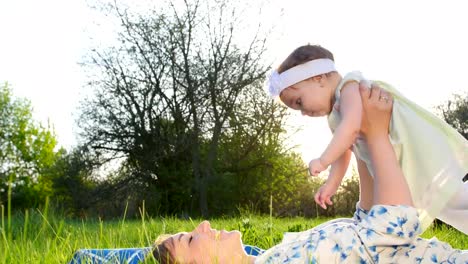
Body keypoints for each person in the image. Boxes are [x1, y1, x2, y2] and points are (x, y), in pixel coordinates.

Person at [152, 84, 467, 263]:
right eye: (191, 239)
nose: (203, 225)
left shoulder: (273, 257)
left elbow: (366, 228)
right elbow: (393, 228)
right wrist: (377, 135)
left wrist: (361, 145)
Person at [267, 44, 468, 234]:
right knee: (445, 205)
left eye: (300, 102)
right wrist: (332, 183)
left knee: (453, 197)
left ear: (318, 78)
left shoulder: (349, 87)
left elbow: (351, 127)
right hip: (400, 163)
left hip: (414, 149)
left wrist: (322, 160)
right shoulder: (335, 116)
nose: (303, 113)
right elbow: (343, 152)